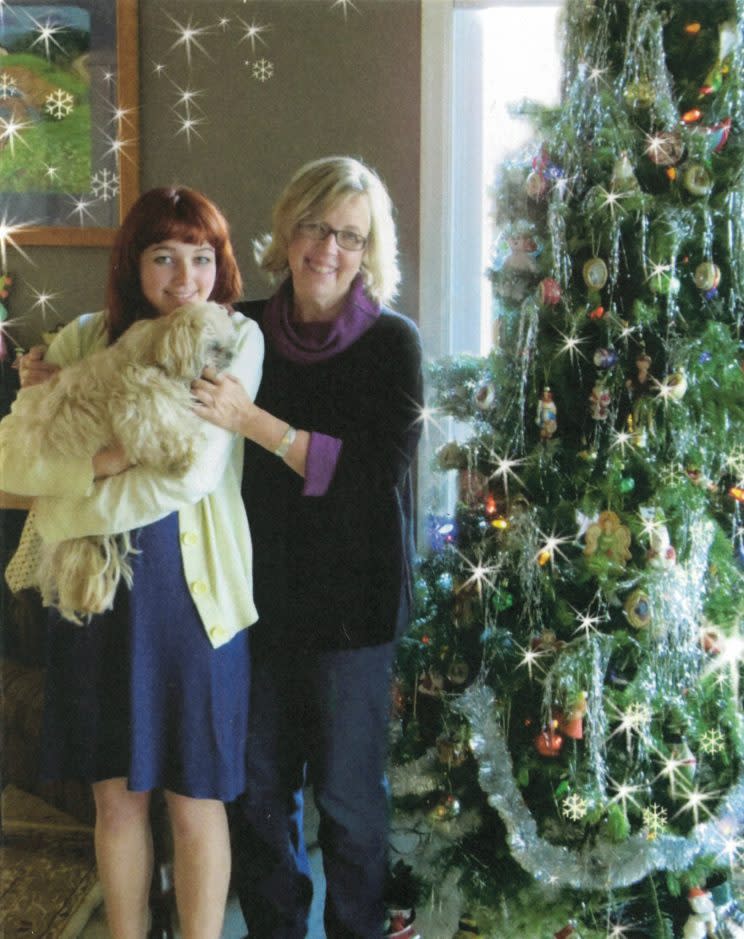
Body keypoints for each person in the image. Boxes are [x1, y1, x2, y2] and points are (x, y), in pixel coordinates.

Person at [0, 187, 264, 939]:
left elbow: (188, 472)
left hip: (195, 599)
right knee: (115, 797)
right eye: (164, 257)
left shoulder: (234, 338)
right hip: (95, 594)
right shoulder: (84, 337)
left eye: (202, 258)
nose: (185, 279)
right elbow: (12, 460)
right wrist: (105, 460)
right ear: (133, 264)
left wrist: (78, 477)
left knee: (194, 797)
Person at [191, 155, 423, 939]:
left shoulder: (394, 344)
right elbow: (148, 359)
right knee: (258, 799)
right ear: (288, 230)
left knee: (352, 806)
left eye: (351, 236)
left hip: (353, 613)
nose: (330, 248)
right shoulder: (240, 329)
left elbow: (370, 477)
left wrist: (257, 424)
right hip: (254, 603)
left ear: (370, 252)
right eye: (316, 226)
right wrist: (57, 369)